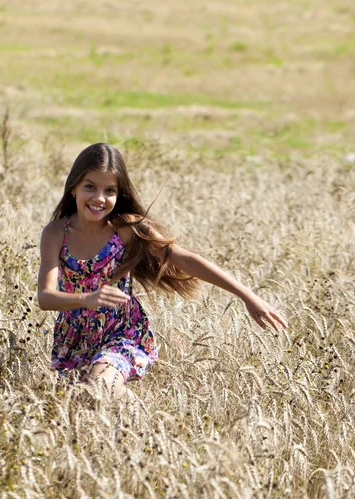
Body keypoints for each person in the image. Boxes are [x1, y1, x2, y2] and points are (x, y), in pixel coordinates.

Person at [37, 143, 288, 398]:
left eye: (109, 190)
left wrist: (247, 295)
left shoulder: (126, 229)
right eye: (90, 186)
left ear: (119, 194)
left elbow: (184, 259)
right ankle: (138, 419)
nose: (99, 198)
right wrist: (86, 299)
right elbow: (45, 297)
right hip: (75, 339)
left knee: (100, 386)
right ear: (73, 188)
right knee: (86, 401)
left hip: (122, 332)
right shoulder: (56, 233)